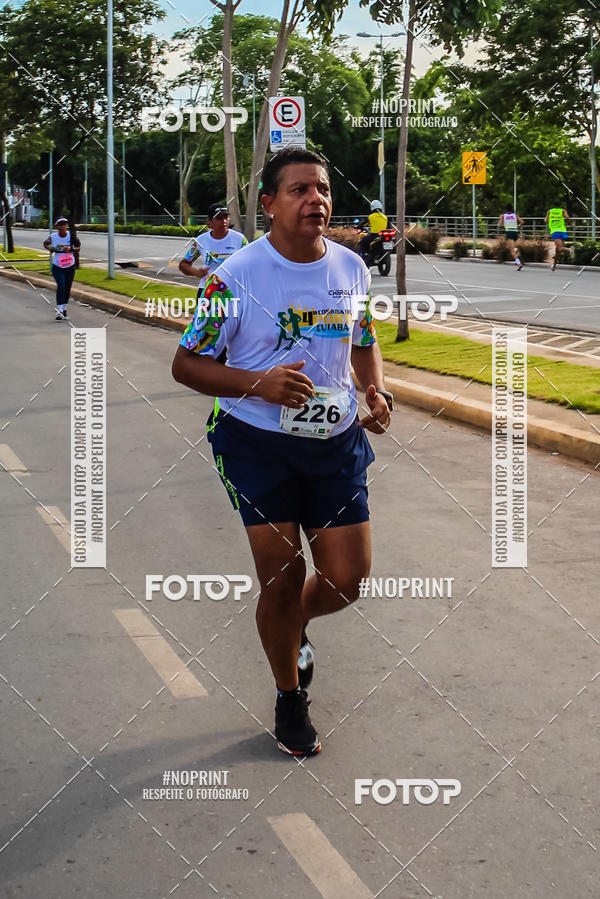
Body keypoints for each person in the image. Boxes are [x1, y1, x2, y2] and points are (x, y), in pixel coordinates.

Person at [172, 147, 393, 757]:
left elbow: (363, 340)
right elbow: (186, 363)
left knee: (347, 581)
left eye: (321, 189)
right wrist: (258, 383)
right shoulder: (234, 276)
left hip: (336, 441)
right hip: (255, 443)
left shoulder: (351, 267)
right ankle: (289, 697)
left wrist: (374, 388)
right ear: (268, 204)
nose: (314, 200)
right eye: (297, 190)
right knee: (283, 576)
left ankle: (293, 627)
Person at [178, 202, 248, 304]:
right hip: (207, 291)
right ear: (210, 221)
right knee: (204, 320)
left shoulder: (240, 239)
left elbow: (251, 262)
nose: (224, 221)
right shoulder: (201, 241)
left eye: (226, 217)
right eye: (219, 218)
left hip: (233, 291)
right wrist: (196, 272)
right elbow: (184, 264)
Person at [43, 217, 80, 320]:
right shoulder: (53, 237)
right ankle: (59, 310)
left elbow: (78, 248)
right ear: (57, 226)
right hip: (58, 266)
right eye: (61, 224)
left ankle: (64, 309)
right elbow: (45, 243)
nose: (63, 226)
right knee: (61, 286)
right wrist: (50, 248)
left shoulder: (72, 236)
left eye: (65, 224)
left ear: (67, 226)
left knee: (67, 288)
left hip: (69, 266)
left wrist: (70, 248)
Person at [545, 203, 571, 270]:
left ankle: (570, 250)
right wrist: (571, 223)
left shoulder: (549, 211)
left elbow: (546, 221)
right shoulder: (562, 210)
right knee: (557, 250)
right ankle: (554, 266)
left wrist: (552, 220)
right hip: (562, 230)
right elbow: (567, 217)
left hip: (555, 231)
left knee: (560, 248)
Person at [497, 203, 524, 270]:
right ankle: (518, 254)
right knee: (515, 248)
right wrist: (518, 226)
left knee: (512, 251)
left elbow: (499, 225)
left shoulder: (503, 216)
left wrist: (502, 223)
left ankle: (519, 263)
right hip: (515, 232)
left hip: (509, 232)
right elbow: (522, 222)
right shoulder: (515, 215)